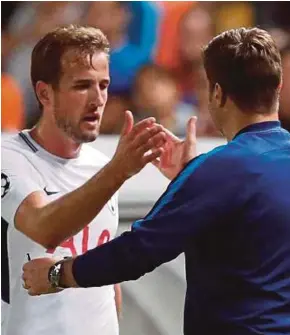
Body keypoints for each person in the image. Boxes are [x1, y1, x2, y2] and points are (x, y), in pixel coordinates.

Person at [23, 27, 290, 334]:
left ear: (217, 93)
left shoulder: (216, 171)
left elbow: (138, 250)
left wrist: (58, 274)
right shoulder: (216, 174)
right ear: (278, 85)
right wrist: (189, 179)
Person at [1, 24, 172, 335]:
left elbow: (108, 280)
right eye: (82, 86)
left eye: (103, 85)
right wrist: (119, 171)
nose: (97, 99)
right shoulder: (9, 155)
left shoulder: (101, 166)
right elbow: (44, 228)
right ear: (44, 93)